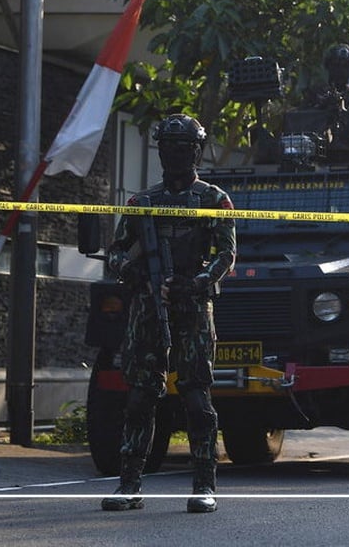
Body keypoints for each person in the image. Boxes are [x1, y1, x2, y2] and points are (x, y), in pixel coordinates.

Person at [100, 114, 236, 514]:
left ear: (197, 151)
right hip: (147, 307)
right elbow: (116, 252)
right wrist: (135, 270)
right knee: (141, 397)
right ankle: (129, 484)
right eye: (170, 147)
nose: (177, 154)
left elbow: (226, 254)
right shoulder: (143, 203)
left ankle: (204, 483)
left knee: (196, 397)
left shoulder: (214, 200)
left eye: (185, 147)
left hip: (193, 306)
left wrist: (196, 282)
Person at [302, 43, 349, 115]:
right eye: (336, 65)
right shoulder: (316, 94)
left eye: (346, 66)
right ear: (328, 66)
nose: (340, 70)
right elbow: (302, 120)